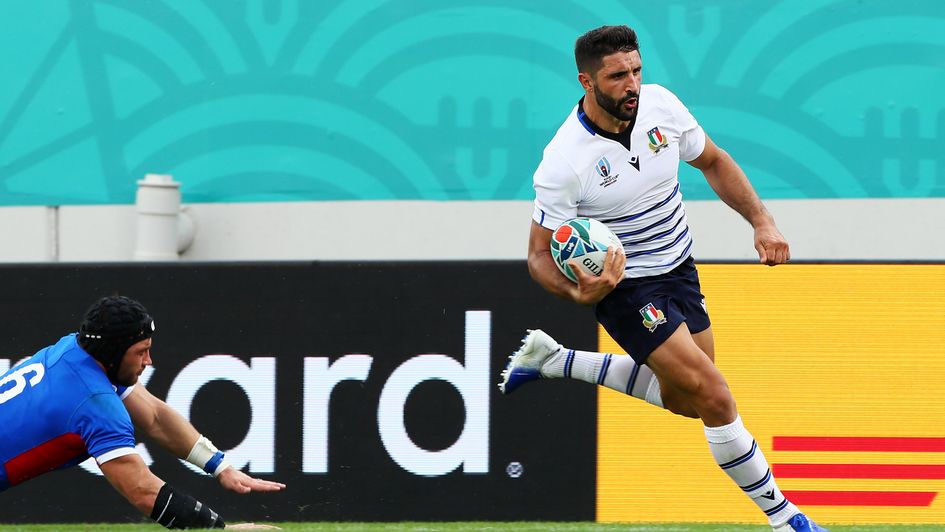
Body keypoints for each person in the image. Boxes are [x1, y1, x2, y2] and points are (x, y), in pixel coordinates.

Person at [499, 25, 826, 532]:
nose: (631, 83)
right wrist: (577, 292)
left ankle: (556, 360)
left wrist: (762, 221)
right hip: (626, 289)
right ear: (586, 81)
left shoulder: (661, 106)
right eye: (617, 76)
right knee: (715, 396)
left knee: (686, 401)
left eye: (636, 70)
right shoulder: (564, 161)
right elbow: (538, 256)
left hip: (680, 268)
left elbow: (713, 161)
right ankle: (787, 520)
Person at [0, 295, 284, 530]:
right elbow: (143, 491)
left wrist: (220, 467)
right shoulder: (95, 404)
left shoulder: (76, 348)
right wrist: (219, 529)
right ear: (113, 352)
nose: (149, 360)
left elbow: (155, 417)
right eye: (141, 351)